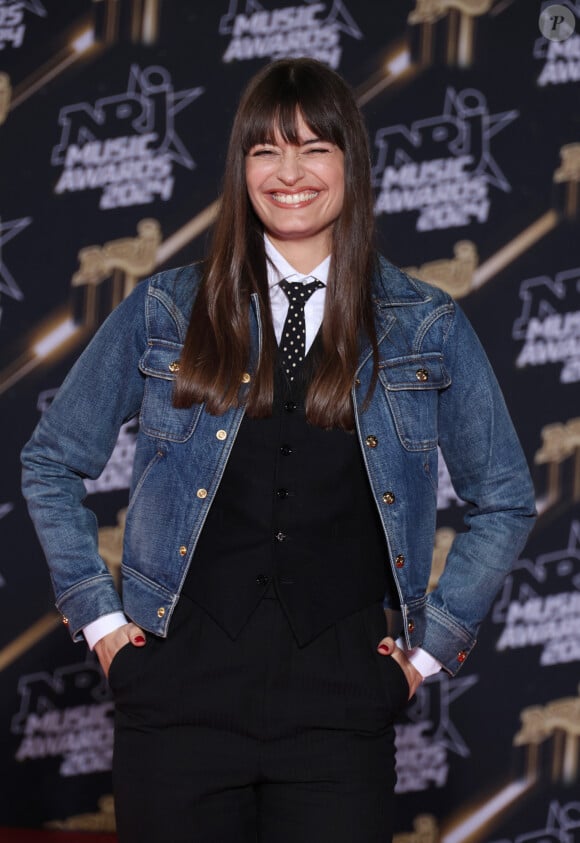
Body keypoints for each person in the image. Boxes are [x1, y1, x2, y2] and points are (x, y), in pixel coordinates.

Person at [21, 58, 536, 843]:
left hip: (342, 715)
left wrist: (422, 660)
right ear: (241, 167)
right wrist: (102, 627)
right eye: (266, 149)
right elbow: (51, 462)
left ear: (350, 164)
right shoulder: (166, 309)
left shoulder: (423, 324)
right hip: (176, 704)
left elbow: (503, 496)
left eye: (313, 147)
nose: (289, 172)